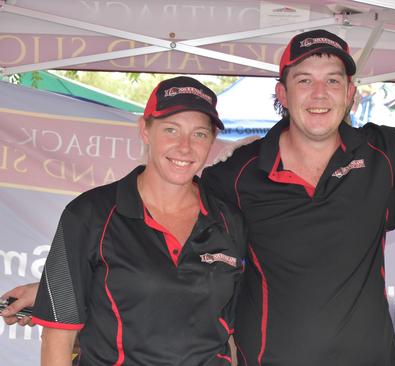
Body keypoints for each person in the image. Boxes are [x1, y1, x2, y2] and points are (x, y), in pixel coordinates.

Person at [3, 30, 395, 366]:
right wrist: (65, 277)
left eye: (333, 79)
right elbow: (161, 218)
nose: (319, 93)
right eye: (304, 80)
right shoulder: (236, 177)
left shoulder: (387, 157)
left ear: (352, 94)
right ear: (280, 93)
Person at [29, 76, 247, 365]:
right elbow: (57, 336)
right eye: (171, 130)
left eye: (199, 134)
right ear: (145, 130)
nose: (185, 147)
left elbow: (232, 330)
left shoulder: (229, 221)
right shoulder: (88, 214)